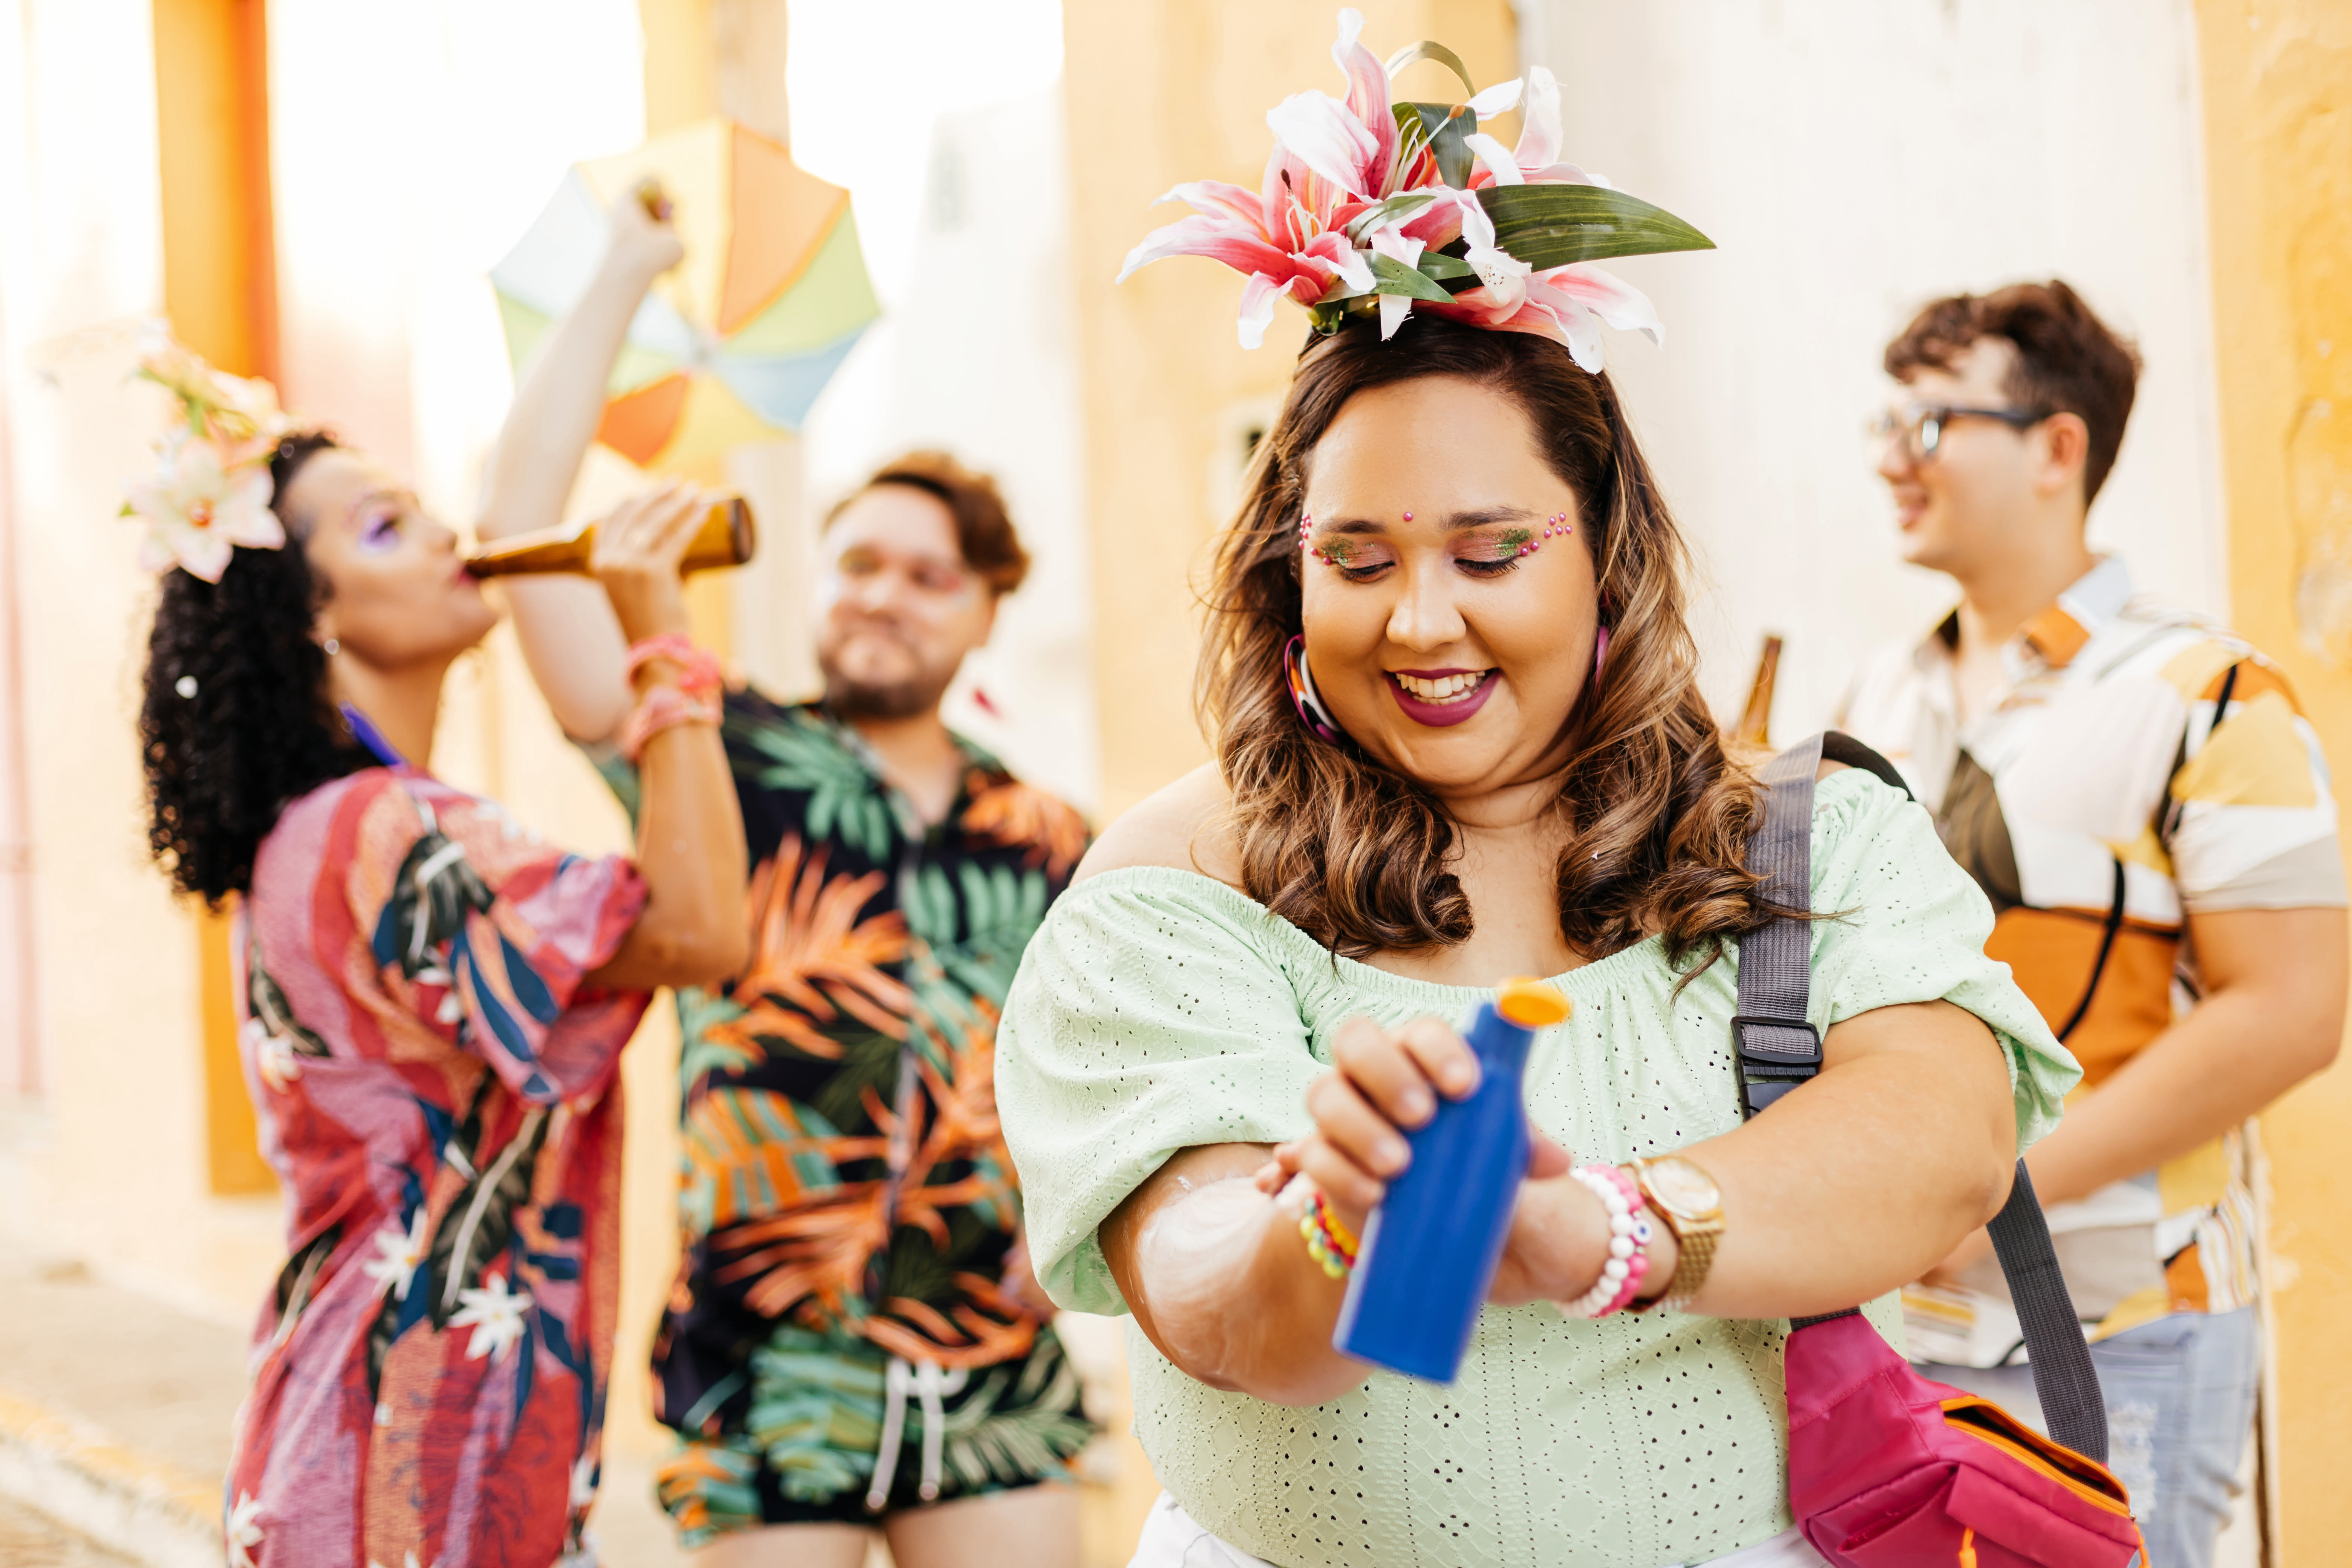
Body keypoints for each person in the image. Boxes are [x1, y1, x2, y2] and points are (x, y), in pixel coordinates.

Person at [992, 22, 2083, 1565]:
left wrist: (1609, 1229)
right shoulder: (1179, 878)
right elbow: (1213, 1295)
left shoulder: (1805, 826)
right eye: (1357, 561)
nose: (1422, 619)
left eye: (1491, 552)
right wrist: (1338, 1212)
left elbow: (1945, 1137)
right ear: (1285, 582)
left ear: (1606, 563)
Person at [132, 215, 748, 1567]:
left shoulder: (330, 831)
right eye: (384, 524)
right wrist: (663, 647)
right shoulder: (387, 832)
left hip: (389, 1465)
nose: (443, 534)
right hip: (408, 1483)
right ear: (314, 613)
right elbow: (703, 929)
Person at [484, 262, 1095, 1560]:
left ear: (989, 612)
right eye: (859, 562)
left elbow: (1110, 1073)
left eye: (930, 578)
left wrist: (1076, 1230)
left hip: (991, 1364)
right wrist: (626, 276)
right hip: (763, 1367)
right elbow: (519, 527)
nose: (882, 594)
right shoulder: (721, 752)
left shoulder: (1054, 840)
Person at [1840, 280, 2347, 1567]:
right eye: (1883, 426)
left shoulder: (2210, 690)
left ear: (2057, 448)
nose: (1895, 460)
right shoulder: (1877, 695)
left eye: (1931, 423)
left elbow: (2291, 1012)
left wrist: (1988, 1193)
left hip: (2131, 1319)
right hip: (1906, 1325)